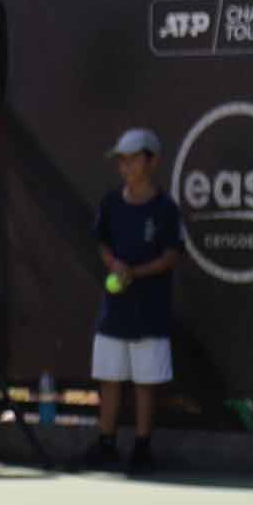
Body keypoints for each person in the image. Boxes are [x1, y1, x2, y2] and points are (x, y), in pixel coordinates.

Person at [82, 128, 181, 476]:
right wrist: (114, 265)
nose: (124, 166)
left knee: (145, 382)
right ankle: (106, 441)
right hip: (115, 311)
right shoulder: (110, 203)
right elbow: (102, 244)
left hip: (150, 310)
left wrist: (135, 273)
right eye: (121, 160)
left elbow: (170, 256)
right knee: (109, 377)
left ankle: (142, 446)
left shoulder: (166, 208)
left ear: (151, 161)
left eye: (132, 159)